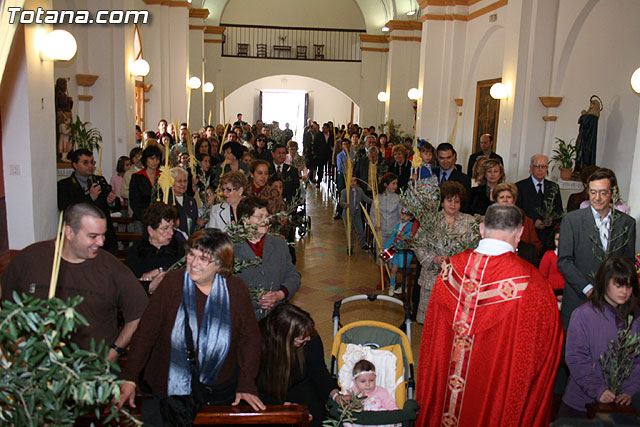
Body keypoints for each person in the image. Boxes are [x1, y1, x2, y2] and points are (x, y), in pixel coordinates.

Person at [416, 203, 563, 426]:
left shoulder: (449, 271)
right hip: (494, 399)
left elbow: (432, 342)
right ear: (520, 232)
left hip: (446, 397)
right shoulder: (533, 286)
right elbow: (544, 354)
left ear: (482, 229)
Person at [118, 229, 264, 425]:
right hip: (169, 386)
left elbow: (250, 339)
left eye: (203, 259)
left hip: (219, 387)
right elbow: (145, 333)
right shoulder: (172, 284)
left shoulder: (236, 289)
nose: (193, 263)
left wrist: (246, 382)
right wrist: (130, 377)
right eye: (191, 255)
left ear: (220, 264)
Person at [1, 202, 148, 363]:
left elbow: (139, 313)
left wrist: (116, 350)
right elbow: (6, 305)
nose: (101, 242)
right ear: (69, 232)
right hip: (39, 366)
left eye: (103, 235)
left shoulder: (112, 268)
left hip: (93, 366)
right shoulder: (29, 259)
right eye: (93, 236)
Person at [560, 256, 640, 418]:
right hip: (581, 402)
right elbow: (576, 358)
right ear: (605, 283)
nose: (624, 291)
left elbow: (637, 361)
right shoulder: (583, 314)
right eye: (618, 285)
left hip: (621, 404)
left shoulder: (635, 317)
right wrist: (597, 389)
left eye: (629, 286)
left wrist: (631, 389)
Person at [558, 168, 636, 329]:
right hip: (578, 298)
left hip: (613, 304)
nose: (597, 198)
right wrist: (587, 289)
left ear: (612, 193)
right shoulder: (572, 220)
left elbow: (628, 263)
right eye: (593, 193)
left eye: (603, 193)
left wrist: (615, 291)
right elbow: (564, 261)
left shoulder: (627, 223)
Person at [257, 303, 344, 427]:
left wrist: (335, 394)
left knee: (314, 418)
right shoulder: (257, 344)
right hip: (267, 394)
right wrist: (280, 405)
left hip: (300, 384)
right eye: (301, 338)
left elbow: (319, 371)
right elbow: (251, 388)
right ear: (283, 339)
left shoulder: (311, 338)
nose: (308, 338)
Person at [413, 182, 475, 323]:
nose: (453, 204)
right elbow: (419, 245)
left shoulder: (470, 222)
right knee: (430, 322)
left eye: (457, 201)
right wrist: (434, 259)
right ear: (442, 202)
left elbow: (475, 249)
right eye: (449, 200)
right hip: (431, 278)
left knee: (451, 323)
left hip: (458, 281)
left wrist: (459, 261)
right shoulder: (430, 220)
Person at [233, 197, 301, 319]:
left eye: (267, 216)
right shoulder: (232, 249)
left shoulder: (279, 244)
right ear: (245, 220)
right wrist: (253, 299)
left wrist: (279, 295)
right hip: (245, 317)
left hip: (276, 316)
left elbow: (293, 275)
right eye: (259, 216)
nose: (265, 220)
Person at [57, 148, 121, 255]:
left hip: (105, 237)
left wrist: (112, 201)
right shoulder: (65, 185)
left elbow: (115, 205)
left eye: (92, 162)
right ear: (75, 165)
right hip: (83, 238)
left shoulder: (99, 180)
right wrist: (89, 197)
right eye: (85, 162)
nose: (90, 166)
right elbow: (67, 209)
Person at [124, 202, 184, 294]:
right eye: (165, 228)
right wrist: (148, 287)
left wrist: (161, 270)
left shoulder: (180, 249)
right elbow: (127, 287)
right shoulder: (135, 253)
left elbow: (186, 272)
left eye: (172, 228)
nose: (171, 232)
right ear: (150, 230)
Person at [515, 154, 563, 245]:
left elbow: (559, 211)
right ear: (531, 168)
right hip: (527, 234)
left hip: (548, 236)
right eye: (537, 166)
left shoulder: (553, 187)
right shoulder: (520, 187)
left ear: (547, 168)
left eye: (543, 166)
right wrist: (533, 221)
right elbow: (517, 210)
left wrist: (551, 220)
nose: (540, 169)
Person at [492, 183, 542, 255]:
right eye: (501, 197)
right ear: (496, 201)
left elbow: (536, 246)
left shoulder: (526, 221)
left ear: (514, 200)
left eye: (509, 197)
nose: (505, 200)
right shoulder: (489, 220)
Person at [344, 359, 398, 426]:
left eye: (371, 380)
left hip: (379, 421)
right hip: (360, 421)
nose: (368, 384)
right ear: (355, 381)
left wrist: (395, 415)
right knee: (347, 422)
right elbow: (346, 406)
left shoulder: (381, 391)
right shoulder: (352, 392)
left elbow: (391, 405)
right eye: (363, 381)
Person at [129, 145, 162, 234]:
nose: (155, 162)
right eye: (152, 158)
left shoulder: (163, 176)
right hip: (141, 218)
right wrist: (146, 217)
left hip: (160, 218)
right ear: (145, 159)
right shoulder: (137, 177)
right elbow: (134, 201)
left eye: (157, 159)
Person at [383, 208, 416, 296]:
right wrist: (384, 247)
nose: (403, 217)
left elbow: (413, 233)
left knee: (403, 271)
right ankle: (392, 286)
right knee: (393, 269)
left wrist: (406, 237)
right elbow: (393, 238)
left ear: (411, 217)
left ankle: (404, 287)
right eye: (402, 214)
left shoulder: (412, 225)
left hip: (405, 253)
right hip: (397, 251)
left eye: (406, 215)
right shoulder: (397, 226)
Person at [370, 173, 401, 260]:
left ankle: (390, 273)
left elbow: (400, 215)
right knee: (381, 256)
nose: (395, 186)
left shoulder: (398, 198)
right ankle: (382, 272)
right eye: (393, 183)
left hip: (393, 232)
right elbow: (372, 214)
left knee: (391, 256)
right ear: (385, 184)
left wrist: (399, 229)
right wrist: (375, 225)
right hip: (381, 232)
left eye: (396, 183)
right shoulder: (377, 198)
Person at [433, 143, 471, 211]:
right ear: (437, 157)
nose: (445, 161)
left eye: (448, 157)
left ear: (454, 156)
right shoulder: (430, 175)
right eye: (442, 158)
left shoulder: (464, 179)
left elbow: (465, 205)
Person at [340, 176, 374, 252]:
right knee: (349, 231)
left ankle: (362, 244)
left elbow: (366, 199)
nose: (353, 183)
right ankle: (350, 247)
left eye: (354, 181)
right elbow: (341, 202)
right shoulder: (344, 191)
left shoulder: (359, 191)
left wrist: (374, 202)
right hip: (348, 214)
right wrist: (345, 204)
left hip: (357, 213)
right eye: (351, 181)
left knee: (360, 229)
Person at [168, 167, 198, 239]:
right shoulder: (166, 201)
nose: (183, 184)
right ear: (171, 182)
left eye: (185, 181)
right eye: (179, 181)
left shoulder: (191, 201)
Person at [539, 226, 565, 298]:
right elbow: (542, 277)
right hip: (552, 292)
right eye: (557, 239)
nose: (560, 242)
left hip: (568, 292)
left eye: (563, 239)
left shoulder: (573, 254)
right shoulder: (548, 255)